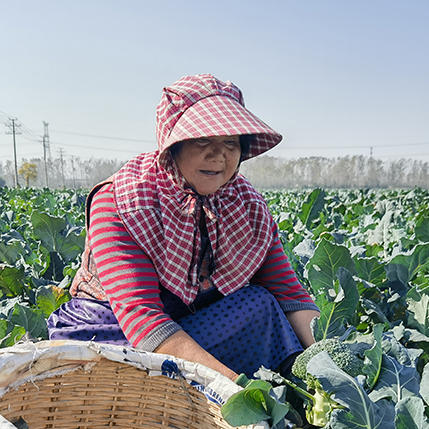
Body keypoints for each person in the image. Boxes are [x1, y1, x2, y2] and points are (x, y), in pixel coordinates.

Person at [48, 74, 319, 381]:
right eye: (203, 139)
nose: (218, 155)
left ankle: (296, 396)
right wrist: (236, 390)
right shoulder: (122, 201)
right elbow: (144, 319)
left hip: (194, 325)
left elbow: (288, 293)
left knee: (261, 305)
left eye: (231, 142)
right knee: (106, 370)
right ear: (172, 146)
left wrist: (330, 367)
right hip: (114, 335)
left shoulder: (247, 204)